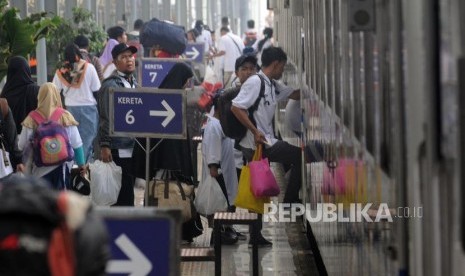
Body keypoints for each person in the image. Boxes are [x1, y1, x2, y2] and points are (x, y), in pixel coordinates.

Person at [231, 47, 316, 245]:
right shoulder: (255, 82)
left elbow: (294, 94)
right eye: (283, 67)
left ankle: (256, 234)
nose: (283, 71)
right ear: (276, 64)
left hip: (264, 142)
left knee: (258, 187)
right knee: (300, 156)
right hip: (257, 144)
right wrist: (255, 131)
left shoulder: (271, 84)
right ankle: (289, 203)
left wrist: (316, 90)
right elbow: (237, 107)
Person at [17, 82, 86, 190]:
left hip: (38, 170)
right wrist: (82, 164)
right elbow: (77, 144)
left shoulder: (31, 118)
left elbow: (21, 146)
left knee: (42, 203)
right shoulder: (65, 116)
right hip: (62, 169)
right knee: (59, 203)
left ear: (39, 96)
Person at [98, 43, 138, 206]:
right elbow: (106, 117)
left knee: (128, 191)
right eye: (124, 57)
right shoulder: (110, 86)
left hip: (133, 145)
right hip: (119, 147)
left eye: (131, 56)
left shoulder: (134, 83)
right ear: (115, 62)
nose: (129, 60)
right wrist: (105, 145)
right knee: (123, 195)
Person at [53, 44, 101, 163]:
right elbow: (96, 90)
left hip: (69, 110)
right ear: (78, 54)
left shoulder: (61, 71)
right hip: (89, 109)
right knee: (87, 142)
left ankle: (74, 168)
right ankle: (84, 170)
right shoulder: (89, 68)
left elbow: (54, 91)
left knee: (71, 142)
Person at [0, 56, 39, 133]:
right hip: (33, 136)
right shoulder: (36, 90)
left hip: (11, 140)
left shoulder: (5, 94)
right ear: (27, 69)